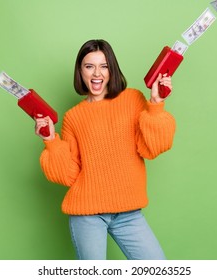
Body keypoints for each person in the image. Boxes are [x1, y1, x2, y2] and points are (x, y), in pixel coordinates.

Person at [34, 39, 176, 260]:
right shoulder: (73, 117)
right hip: (87, 215)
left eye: (104, 66)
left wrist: (156, 104)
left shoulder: (133, 99)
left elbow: (152, 147)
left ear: (112, 69)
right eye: (89, 66)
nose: (96, 73)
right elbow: (69, 173)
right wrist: (51, 140)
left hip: (129, 214)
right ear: (80, 72)